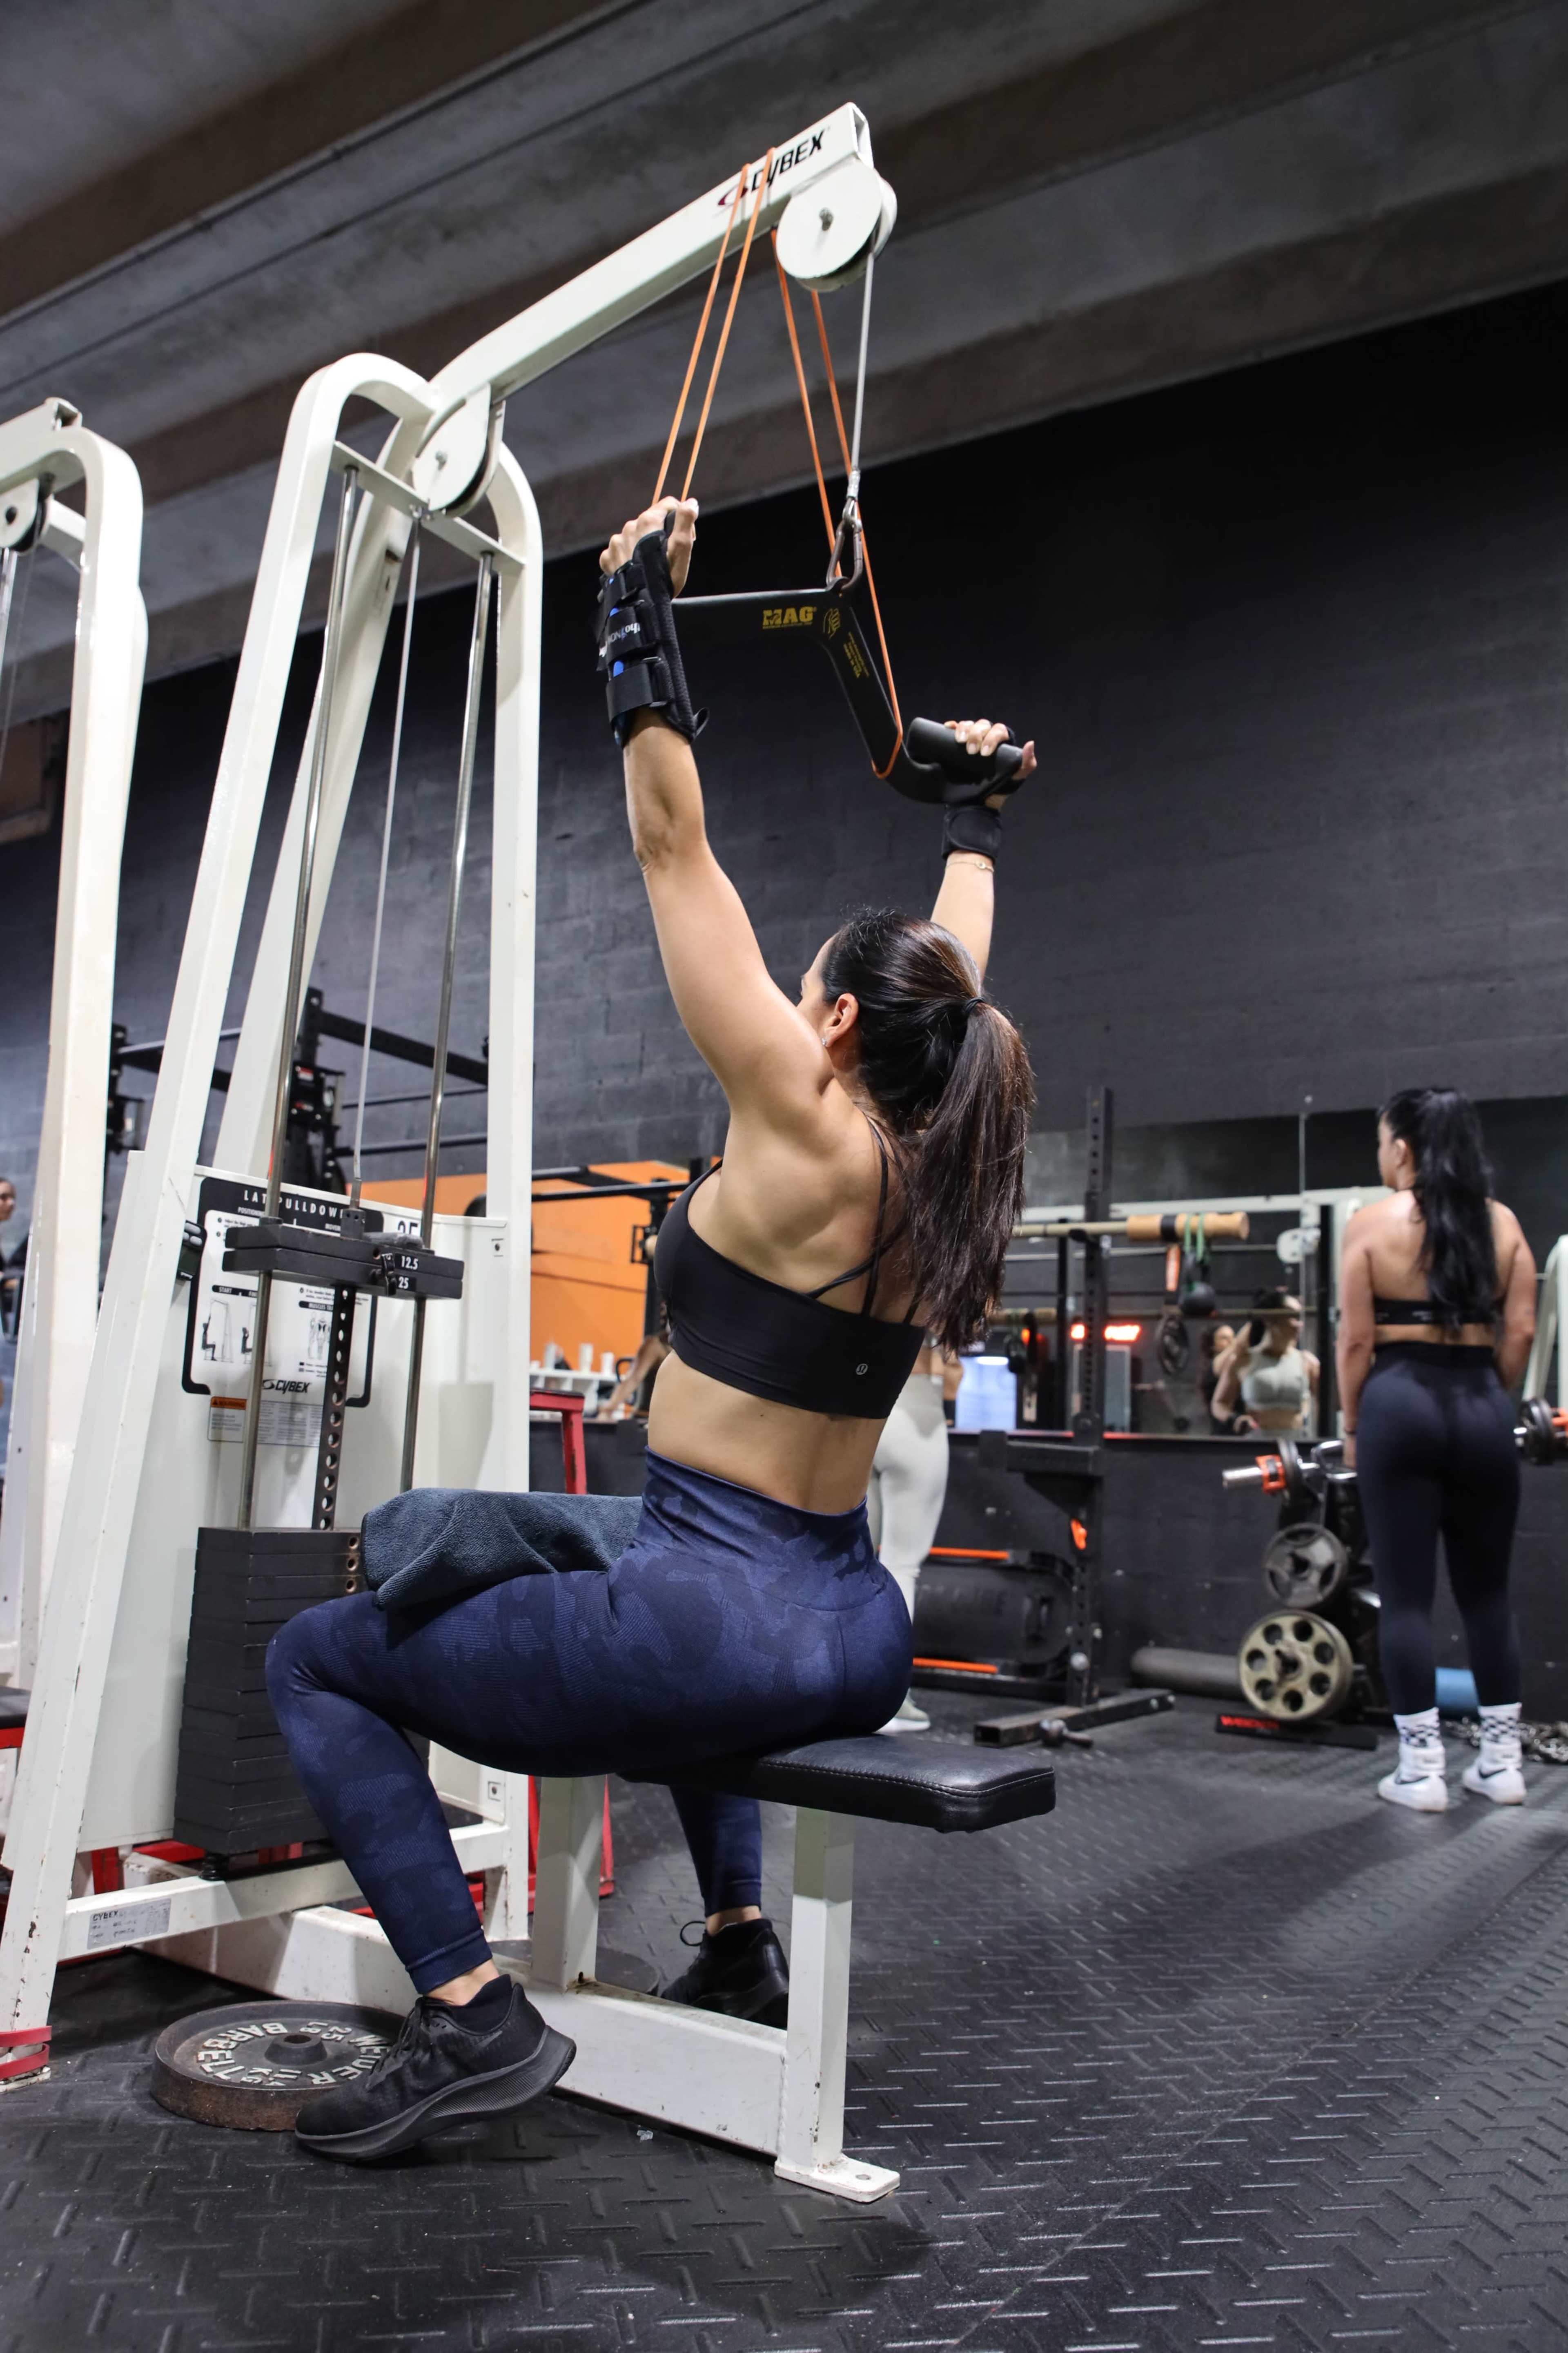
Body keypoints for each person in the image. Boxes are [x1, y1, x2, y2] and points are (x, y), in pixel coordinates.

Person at [265, 493, 1036, 2162]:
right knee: (512, 1536)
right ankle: (737, 1942)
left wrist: (634, 631)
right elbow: (951, 973)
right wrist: (970, 821)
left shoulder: (809, 1114)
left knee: (315, 1662)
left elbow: (676, 851)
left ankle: (469, 2015)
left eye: (808, 987)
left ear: (829, 1022)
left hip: (718, 1616)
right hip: (843, 1615)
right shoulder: (939, 1126)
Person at [1337, 1088, 1535, 1813]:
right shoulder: (1504, 1223)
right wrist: (1488, 1394)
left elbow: (1356, 1341)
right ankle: (1503, 1763)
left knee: (1407, 1597)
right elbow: (1520, 1334)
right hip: (1482, 1403)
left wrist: (1356, 1423)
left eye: (1386, 1142)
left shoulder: (1370, 1224)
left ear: (1406, 1148)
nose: (1383, 1155)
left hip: (1397, 1402)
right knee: (1489, 1593)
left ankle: (1422, 1773)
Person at [865, 1343, 956, 1732]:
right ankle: (889, 1699)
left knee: (852, 1558)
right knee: (901, 1565)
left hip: (863, 1409)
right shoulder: (938, 1288)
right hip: (917, 1409)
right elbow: (951, 1381)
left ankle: (837, 1684)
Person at [1212, 1289, 1318, 1436]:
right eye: (1292, 1317)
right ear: (1271, 1318)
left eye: (1299, 1317)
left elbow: (1330, 1403)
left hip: (1296, 1441)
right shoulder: (1244, 1361)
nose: (1299, 1324)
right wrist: (1236, 1420)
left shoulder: (1308, 1362)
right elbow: (1219, 1403)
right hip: (1257, 1442)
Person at [1198, 1320, 1237, 1431]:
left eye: (1233, 1337)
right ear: (1213, 1346)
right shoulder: (1213, 1368)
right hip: (1223, 1432)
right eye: (1225, 1338)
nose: (1232, 1342)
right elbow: (1238, 1347)